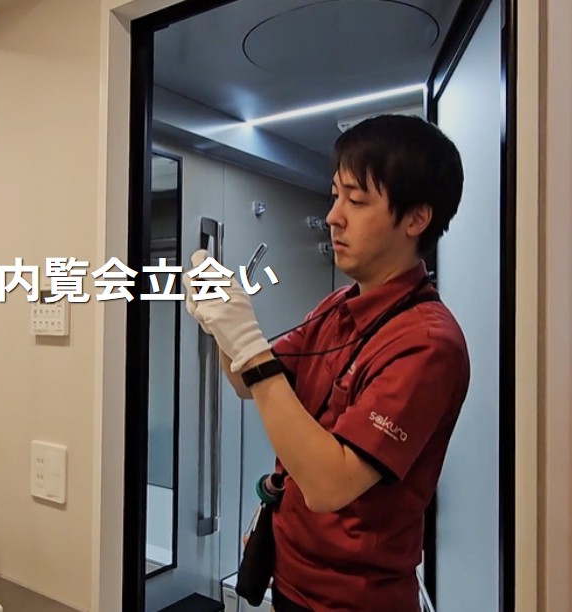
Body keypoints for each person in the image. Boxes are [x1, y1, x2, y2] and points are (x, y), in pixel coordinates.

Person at [183, 115, 470, 611]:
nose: (333, 216)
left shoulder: (428, 344)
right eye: (335, 195)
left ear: (416, 219)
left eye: (355, 201)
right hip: (291, 579)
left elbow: (328, 485)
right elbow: (247, 382)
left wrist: (247, 342)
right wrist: (223, 324)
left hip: (354, 601)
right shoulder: (338, 306)